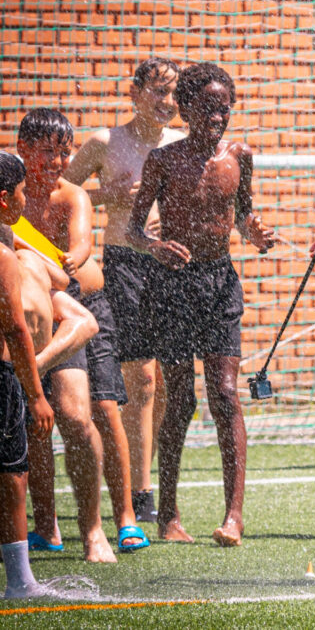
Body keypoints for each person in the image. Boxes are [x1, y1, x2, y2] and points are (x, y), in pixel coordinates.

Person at [126, 62, 276, 546]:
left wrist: (253, 232)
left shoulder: (240, 155)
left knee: (227, 394)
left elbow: (244, 212)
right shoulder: (163, 161)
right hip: (172, 286)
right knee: (181, 401)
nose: (219, 114)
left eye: (225, 105)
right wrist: (154, 246)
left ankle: (234, 515)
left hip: (219, 284)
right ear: (186, 109)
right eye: (208, 106)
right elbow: (132, 228)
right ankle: (168, 515)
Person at [65, 57, 183, 523]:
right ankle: (140, 491)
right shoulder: (105, 142)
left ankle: (144, 470)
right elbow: (58, 192)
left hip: (169, 263)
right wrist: (108, 198)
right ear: (134, 92)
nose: (167, 102)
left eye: (173, 95)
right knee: (142, 378)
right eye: (157, 91)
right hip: (123, 262)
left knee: (168, 382)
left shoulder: (180, 143)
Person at [17, 108, 123, 562]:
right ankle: (47, 524)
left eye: (64, 152)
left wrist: (64, 260)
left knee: (79, 418)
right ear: (23, 150)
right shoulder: (11, 197)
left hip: (72, 302)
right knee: (35, 423)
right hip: (37, 303)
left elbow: (78, 249)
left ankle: (97, 529)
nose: (59, 161)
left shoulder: (71, 195)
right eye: (48, 152)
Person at [0, 151, 55, 598]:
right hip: (1, 377)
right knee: (11, 475)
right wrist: (35, 394)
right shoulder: (2, 256)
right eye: (20, 191)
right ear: (4, 199)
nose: (25, 198)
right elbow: (16, 329)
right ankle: (20, 582)